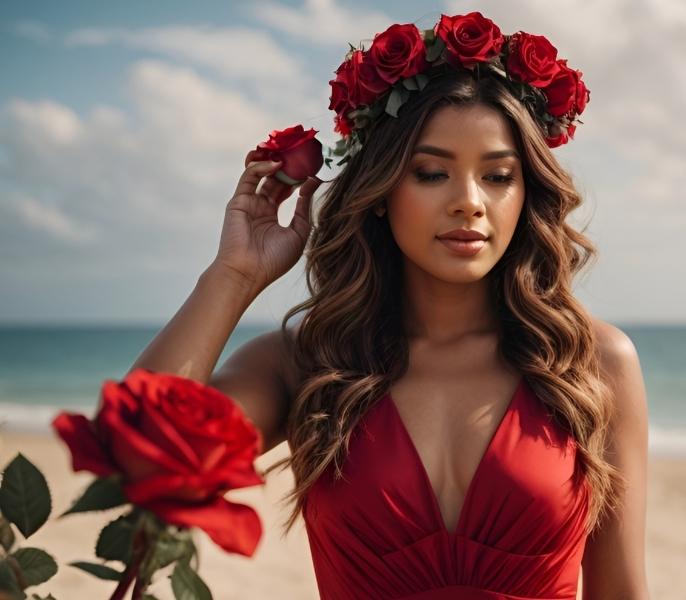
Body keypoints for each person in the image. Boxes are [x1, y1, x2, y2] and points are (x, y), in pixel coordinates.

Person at [130, 13, 649, 600]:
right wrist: (232, 275)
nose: (469, 203)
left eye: (499, 176)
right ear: (380, 192)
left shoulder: (593, 362)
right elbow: (144, 459)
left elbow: (623, 592)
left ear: (526, 192)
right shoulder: (304, 364)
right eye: (431, 173)